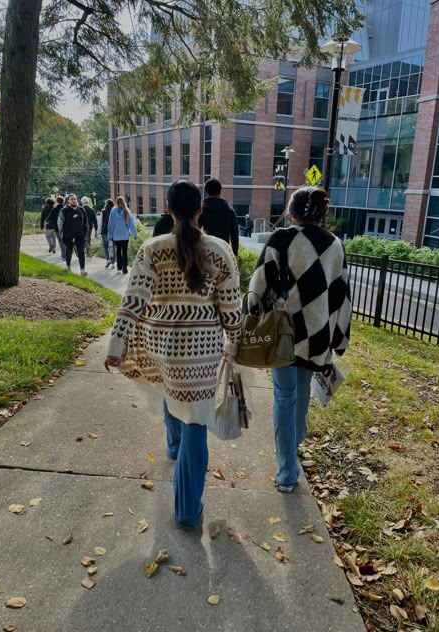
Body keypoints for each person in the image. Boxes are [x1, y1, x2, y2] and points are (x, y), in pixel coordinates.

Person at [105, 180, 242, 528]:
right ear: (200, 210)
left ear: (168, 209)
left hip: (163, 347)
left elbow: (132, 301)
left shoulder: (151, 250)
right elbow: (231, 311)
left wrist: (115, 347)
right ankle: (185, 510)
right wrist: (234, 343)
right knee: (197, 419)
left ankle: (172, 446)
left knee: (170, 388)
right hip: (202, 352)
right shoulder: (221, 250)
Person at [248, 187, 351, 493]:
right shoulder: (336, 245)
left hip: (282, 333)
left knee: (284, 397)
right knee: (300, 401)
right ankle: (289, 460)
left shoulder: (280, 239)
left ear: (292, 211)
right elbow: (341, 296)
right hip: (317, 336)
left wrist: (253, 314)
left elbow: (257, 288)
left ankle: (286, 472)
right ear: (321, 213)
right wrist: (339, 338)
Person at [199, 178, 239, 255]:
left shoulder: (201, 211)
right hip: (223, 251)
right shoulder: (229, 210)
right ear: (220, 190)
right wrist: (234, 253)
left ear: (206, 191)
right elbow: (234, 234)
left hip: (206, 251)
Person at [57, 193, 89, 276]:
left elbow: (86, 223)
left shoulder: (81, 210)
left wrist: (85, 233)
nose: (74, 200)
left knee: (81, 252)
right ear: (68, 200)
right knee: (69, 250)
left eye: (75, 199)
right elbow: (60, 224)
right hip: (68, 236)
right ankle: (68, 266)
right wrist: (62, 236)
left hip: (80, 235)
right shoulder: (64, 211)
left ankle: (82, 270)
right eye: (72, 199)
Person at [107, 196, 137, 274]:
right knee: (124, 252)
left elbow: (111, 224)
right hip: (125, 235)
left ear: (116, 202)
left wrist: (110, 235)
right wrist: (135, 235)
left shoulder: (113, 211)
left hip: (116, 235)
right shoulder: (127, 211)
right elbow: (131, 225)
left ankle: (119, 267)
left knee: (118, 251)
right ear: (124, 202)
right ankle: (125, 269)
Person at [100, 199, 115, 268]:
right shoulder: (114, 212)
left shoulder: (103, 212)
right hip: (112, 232)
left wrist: (98, 232)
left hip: (104, 231)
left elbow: (100, 223)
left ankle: (107, 260)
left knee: (106, 246)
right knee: (112, 247)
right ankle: (112, 263)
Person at [53, 195, 66, 260]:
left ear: (57, 201)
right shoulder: (66, 209)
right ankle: (67, 254)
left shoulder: (54, 209)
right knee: (66, 241)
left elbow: (50, 218)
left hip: (57, 228)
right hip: (66, 228)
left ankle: (64, 255)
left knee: (61, 242)